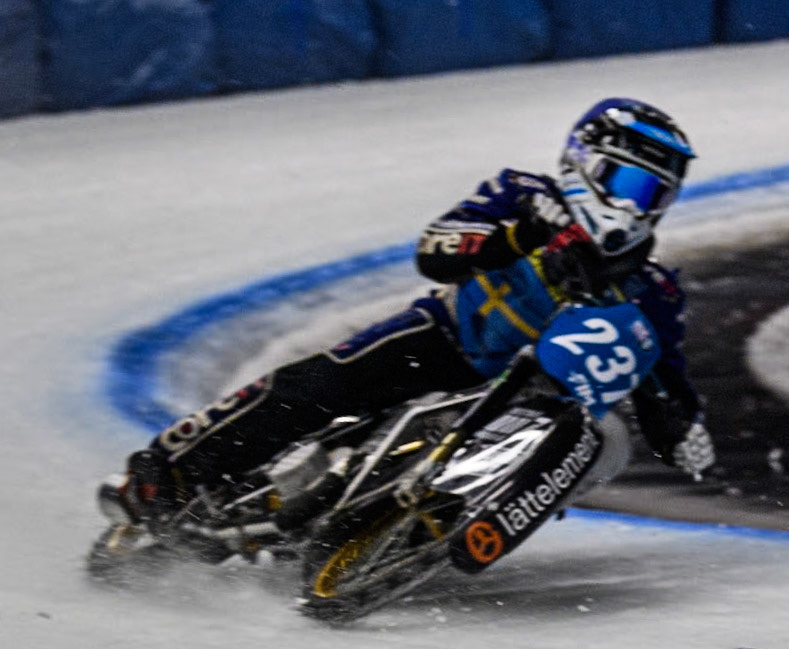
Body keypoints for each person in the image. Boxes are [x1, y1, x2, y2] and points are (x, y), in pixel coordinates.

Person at [103, 97, 715, 530]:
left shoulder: (652, 284)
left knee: (604, 442)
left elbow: (662, 369)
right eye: (629, 185)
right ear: (584, 162)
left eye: (654, 195)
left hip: (532, 395)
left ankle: (443, 523)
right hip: (447, 339)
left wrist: (682, 429)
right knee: (322, 382)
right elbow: (436, 249)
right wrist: (519, 234)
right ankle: (173, 471)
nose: (639, 208)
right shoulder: (522, 194)